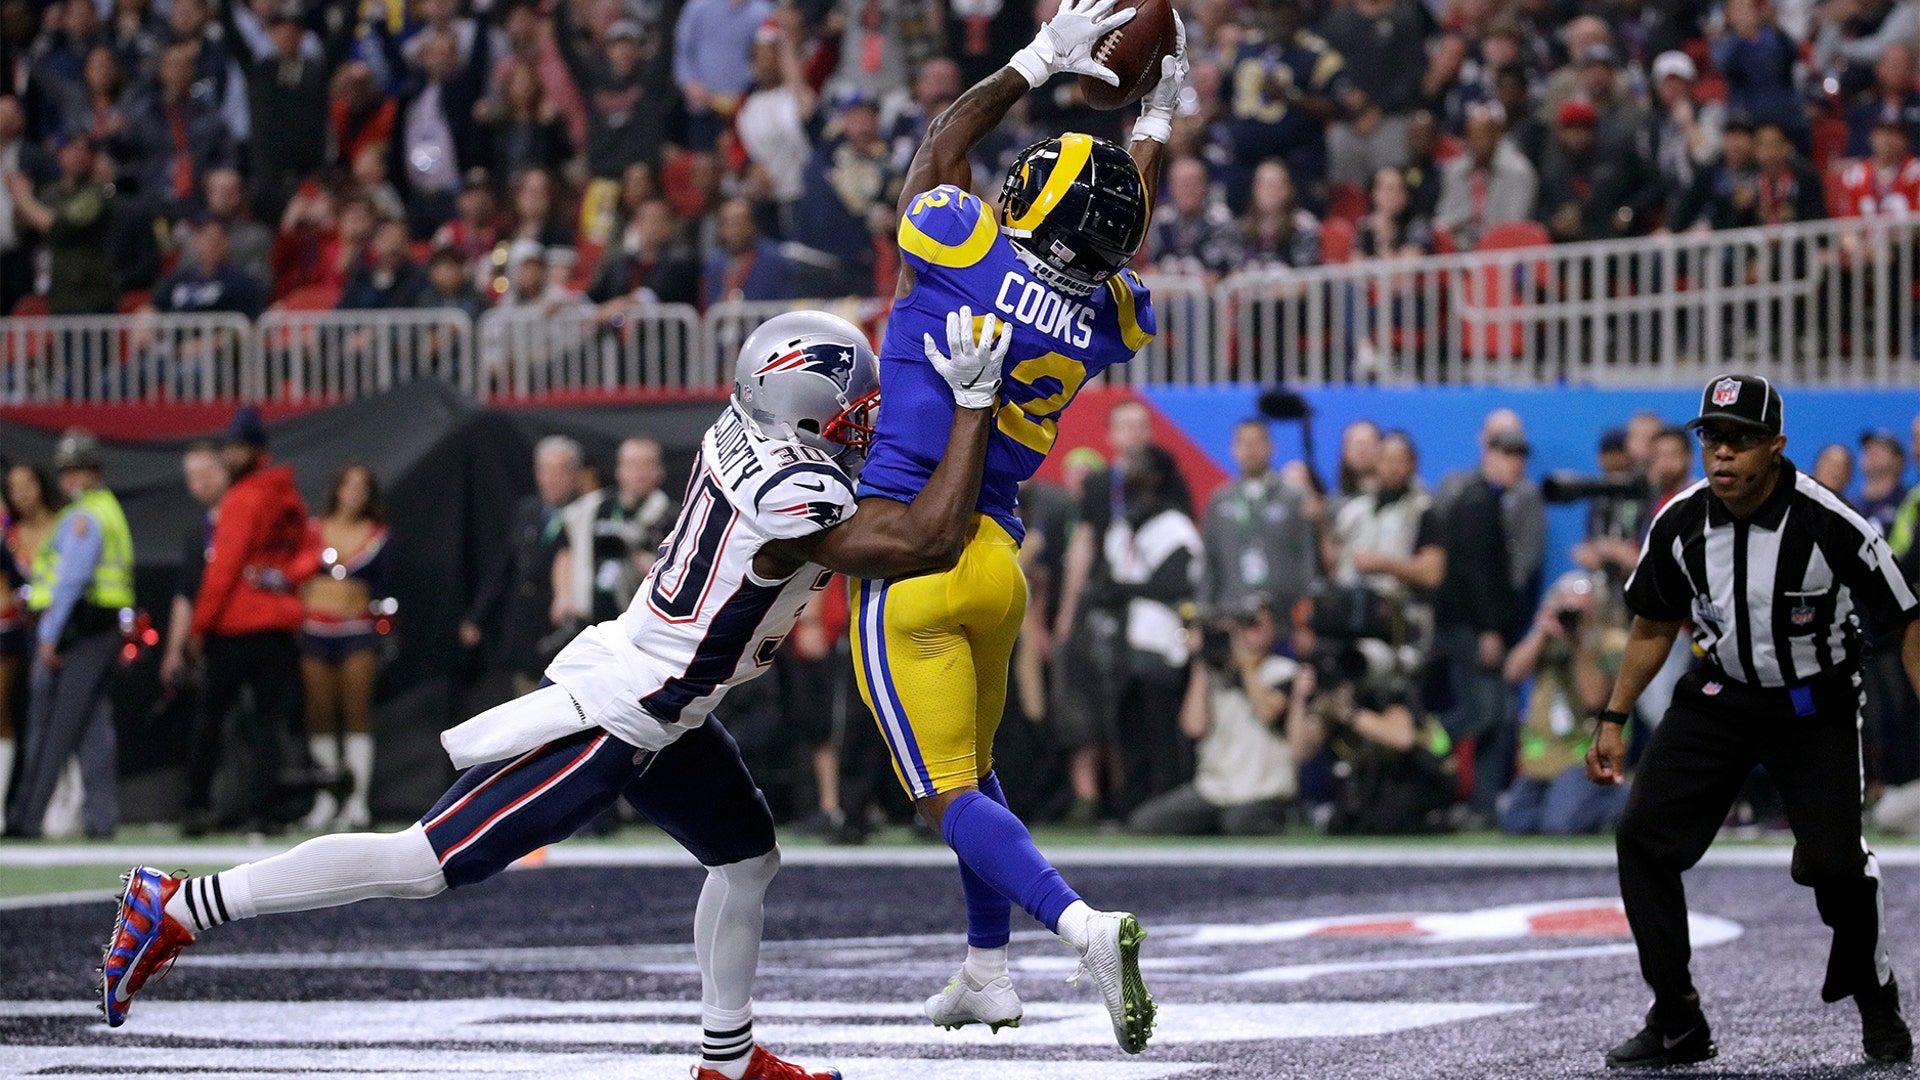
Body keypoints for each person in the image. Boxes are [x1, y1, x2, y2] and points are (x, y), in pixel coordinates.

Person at [99, 306, 1008, 1080]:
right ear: (801, 413)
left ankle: (727, 1061)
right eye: (851, 413)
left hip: (666, 695)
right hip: (628, 709)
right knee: (423, 862)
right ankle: (178, 904)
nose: (862, 426)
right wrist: (974, 405)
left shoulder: (750, 430)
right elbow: (924, 542)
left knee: (746, 861)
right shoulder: (793, 493)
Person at [847, 0, 1183, 1051]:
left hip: (913, 545)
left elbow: (936, 151)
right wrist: (1155, 124)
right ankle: (987, 970)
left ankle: (1081, 926)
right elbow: (1113, 233)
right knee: (977, 767)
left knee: (943, 793)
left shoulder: (964, 248)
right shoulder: (1107, 313)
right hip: (997, 558)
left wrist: (1033, 62)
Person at [1587, 374, 1920, 1068]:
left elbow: (1906, 618)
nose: (1723, 451)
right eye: (1712, 435)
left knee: (1834, 867)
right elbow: (1653, 622)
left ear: (1776, 446)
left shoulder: (1831, 523)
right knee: (1642, 838)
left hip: (1813, 705)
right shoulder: (1679, 521)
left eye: (1741, 438)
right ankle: (1677, 1020)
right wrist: (1613, 717)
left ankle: (1877, 998)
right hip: (1721, 696)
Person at [184, 407, 319, 836]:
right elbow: (310, 552)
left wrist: (200, 626)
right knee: (267, 723)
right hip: (277, 625)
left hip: (236, 626)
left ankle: (197, 806)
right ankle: (261, 812)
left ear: (257, 451)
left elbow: (224, 568)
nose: (230, 454)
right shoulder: (287, 495)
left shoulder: (243, 497)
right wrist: (285, 578)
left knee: (212, 717)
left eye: (237, 447)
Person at [4, 430, 132, 839]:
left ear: (95, 471)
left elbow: (72, 580)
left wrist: (49, 635)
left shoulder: (83, 517)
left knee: (52, 728)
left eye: (79, 470)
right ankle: (100, 818)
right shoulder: (103, 508)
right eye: (66, 471)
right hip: (96, 629)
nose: (71, 478)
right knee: (94, 725)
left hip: (77, 629)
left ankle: (27, 818)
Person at [1129, 598, 1320, 836]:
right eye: (1244, 626)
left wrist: (1244, 661)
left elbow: (1268, 712)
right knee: (1145, 822)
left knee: (1236, 823)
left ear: (1274, 629)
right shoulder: (1215, 673)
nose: (1249, 632)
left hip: (1261, 791)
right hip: (1214, 790)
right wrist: (1200, 662)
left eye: (1257, 624)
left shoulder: (1284, 670)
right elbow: (1193, 727)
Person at [1500, 572, 1629, 835]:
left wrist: (1580, 644)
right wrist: (1541, 630)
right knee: (1516, 824)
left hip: (1585, 758)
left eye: (1580, 611)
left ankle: (1622, 798)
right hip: (1546, 760)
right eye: (1566, 610)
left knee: (1559, 824)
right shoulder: (1550, 640)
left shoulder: (1610, 643)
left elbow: (1593, 698)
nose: (1572, 617)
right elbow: (1512, 673)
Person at [301, 464, 392, 832]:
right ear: (336, 490)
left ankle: (356, 803)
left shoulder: (379, 536)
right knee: (320, 715)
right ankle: (325, 799)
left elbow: (384, 587)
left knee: (356, 713)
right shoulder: (312, 531)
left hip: (356, 631)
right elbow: (299, 576)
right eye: (348, 485)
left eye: (362, 487)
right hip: (315, 630)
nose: (354, 494)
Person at [461, 435, 579, 697]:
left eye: (560, 471)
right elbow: (504, 569)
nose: (552, 479)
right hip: (525, 632)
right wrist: (477, 617)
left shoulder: (587, 513)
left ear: (574, 475)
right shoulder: (527, 511)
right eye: (545, 471)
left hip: (566, 634)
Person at [1200, 419, 1317, 634]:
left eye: (1257, 442)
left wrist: (1306, 621)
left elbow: (1307, 558)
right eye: (1244, 443)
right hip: (1231, 613)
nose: (1251, 449)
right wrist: (1203, 614)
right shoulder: (1219, 500)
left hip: (1284, 614)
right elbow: (1209, 562)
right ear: (1233, 450)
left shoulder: (1294, 497)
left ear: (1271, 447)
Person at [552, 438, 678, 627]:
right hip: (591, 617)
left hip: (640, 621)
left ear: (660, 471)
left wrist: (654, 567)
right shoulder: (592, 509)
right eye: (632, 464)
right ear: (619, 470)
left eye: (647, 464)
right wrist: (563, 596)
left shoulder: (673, 517)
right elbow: (565, 548)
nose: (639, 472)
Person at [0, 463, 64, 833]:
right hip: (14, 633)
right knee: (8, 714)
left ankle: (63, 806)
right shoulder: (7, 534)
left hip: (58, 633)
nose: (22, 493)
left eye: (28, 484)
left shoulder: (64, 524)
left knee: (58, 715)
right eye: (14, 487)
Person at [158, 442, 227, 698]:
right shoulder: (198, 535)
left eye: (209, 470)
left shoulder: (253, 520)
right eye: (194, 475)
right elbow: (185, 594)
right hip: (211, 648)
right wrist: (174, 651)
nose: (203, 480)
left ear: (226, 469)